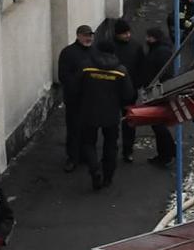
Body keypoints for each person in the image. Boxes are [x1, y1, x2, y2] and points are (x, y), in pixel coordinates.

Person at [74, 39, 136, 190]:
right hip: (111, 114)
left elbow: (76, 87)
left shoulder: (86, 67)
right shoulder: (120, 70)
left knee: (88, 143)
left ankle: (94, 169)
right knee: (111, 145)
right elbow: (128, 94)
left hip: (89, 111)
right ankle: (108, 176)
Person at [56, 25, 98, 172]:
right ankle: (73, 157)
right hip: (75, 99)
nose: (89, 38)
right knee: (74, 128)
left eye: (90, 35)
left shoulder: (95, 51)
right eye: (86, 35)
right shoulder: (68, 53)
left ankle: (87, 155)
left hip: (91, 99)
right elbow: (63, 76)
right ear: (78, 36)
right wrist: (78, 87)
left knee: (90, 129)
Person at [109, 20, 148, 163]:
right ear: (117, 34)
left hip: (129, 91)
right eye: (124, 33)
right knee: (111, 123)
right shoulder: (110, 47)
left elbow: (141, 67)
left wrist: (137, 84)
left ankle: (128, 150)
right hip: (112, 91)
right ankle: (111, 150)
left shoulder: (135, 46)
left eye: (128, 32)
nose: (128, 35)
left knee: (129, 121)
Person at [142, 26, 178, 167]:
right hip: (156, 90)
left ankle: (166, 154)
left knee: (158, 124)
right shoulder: (159, 49)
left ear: (154, 38)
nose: (147, 39)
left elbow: (164, 72)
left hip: (158, 91)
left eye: (149, 37)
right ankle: (168, 152)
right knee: (158, 124)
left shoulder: (161, 51)